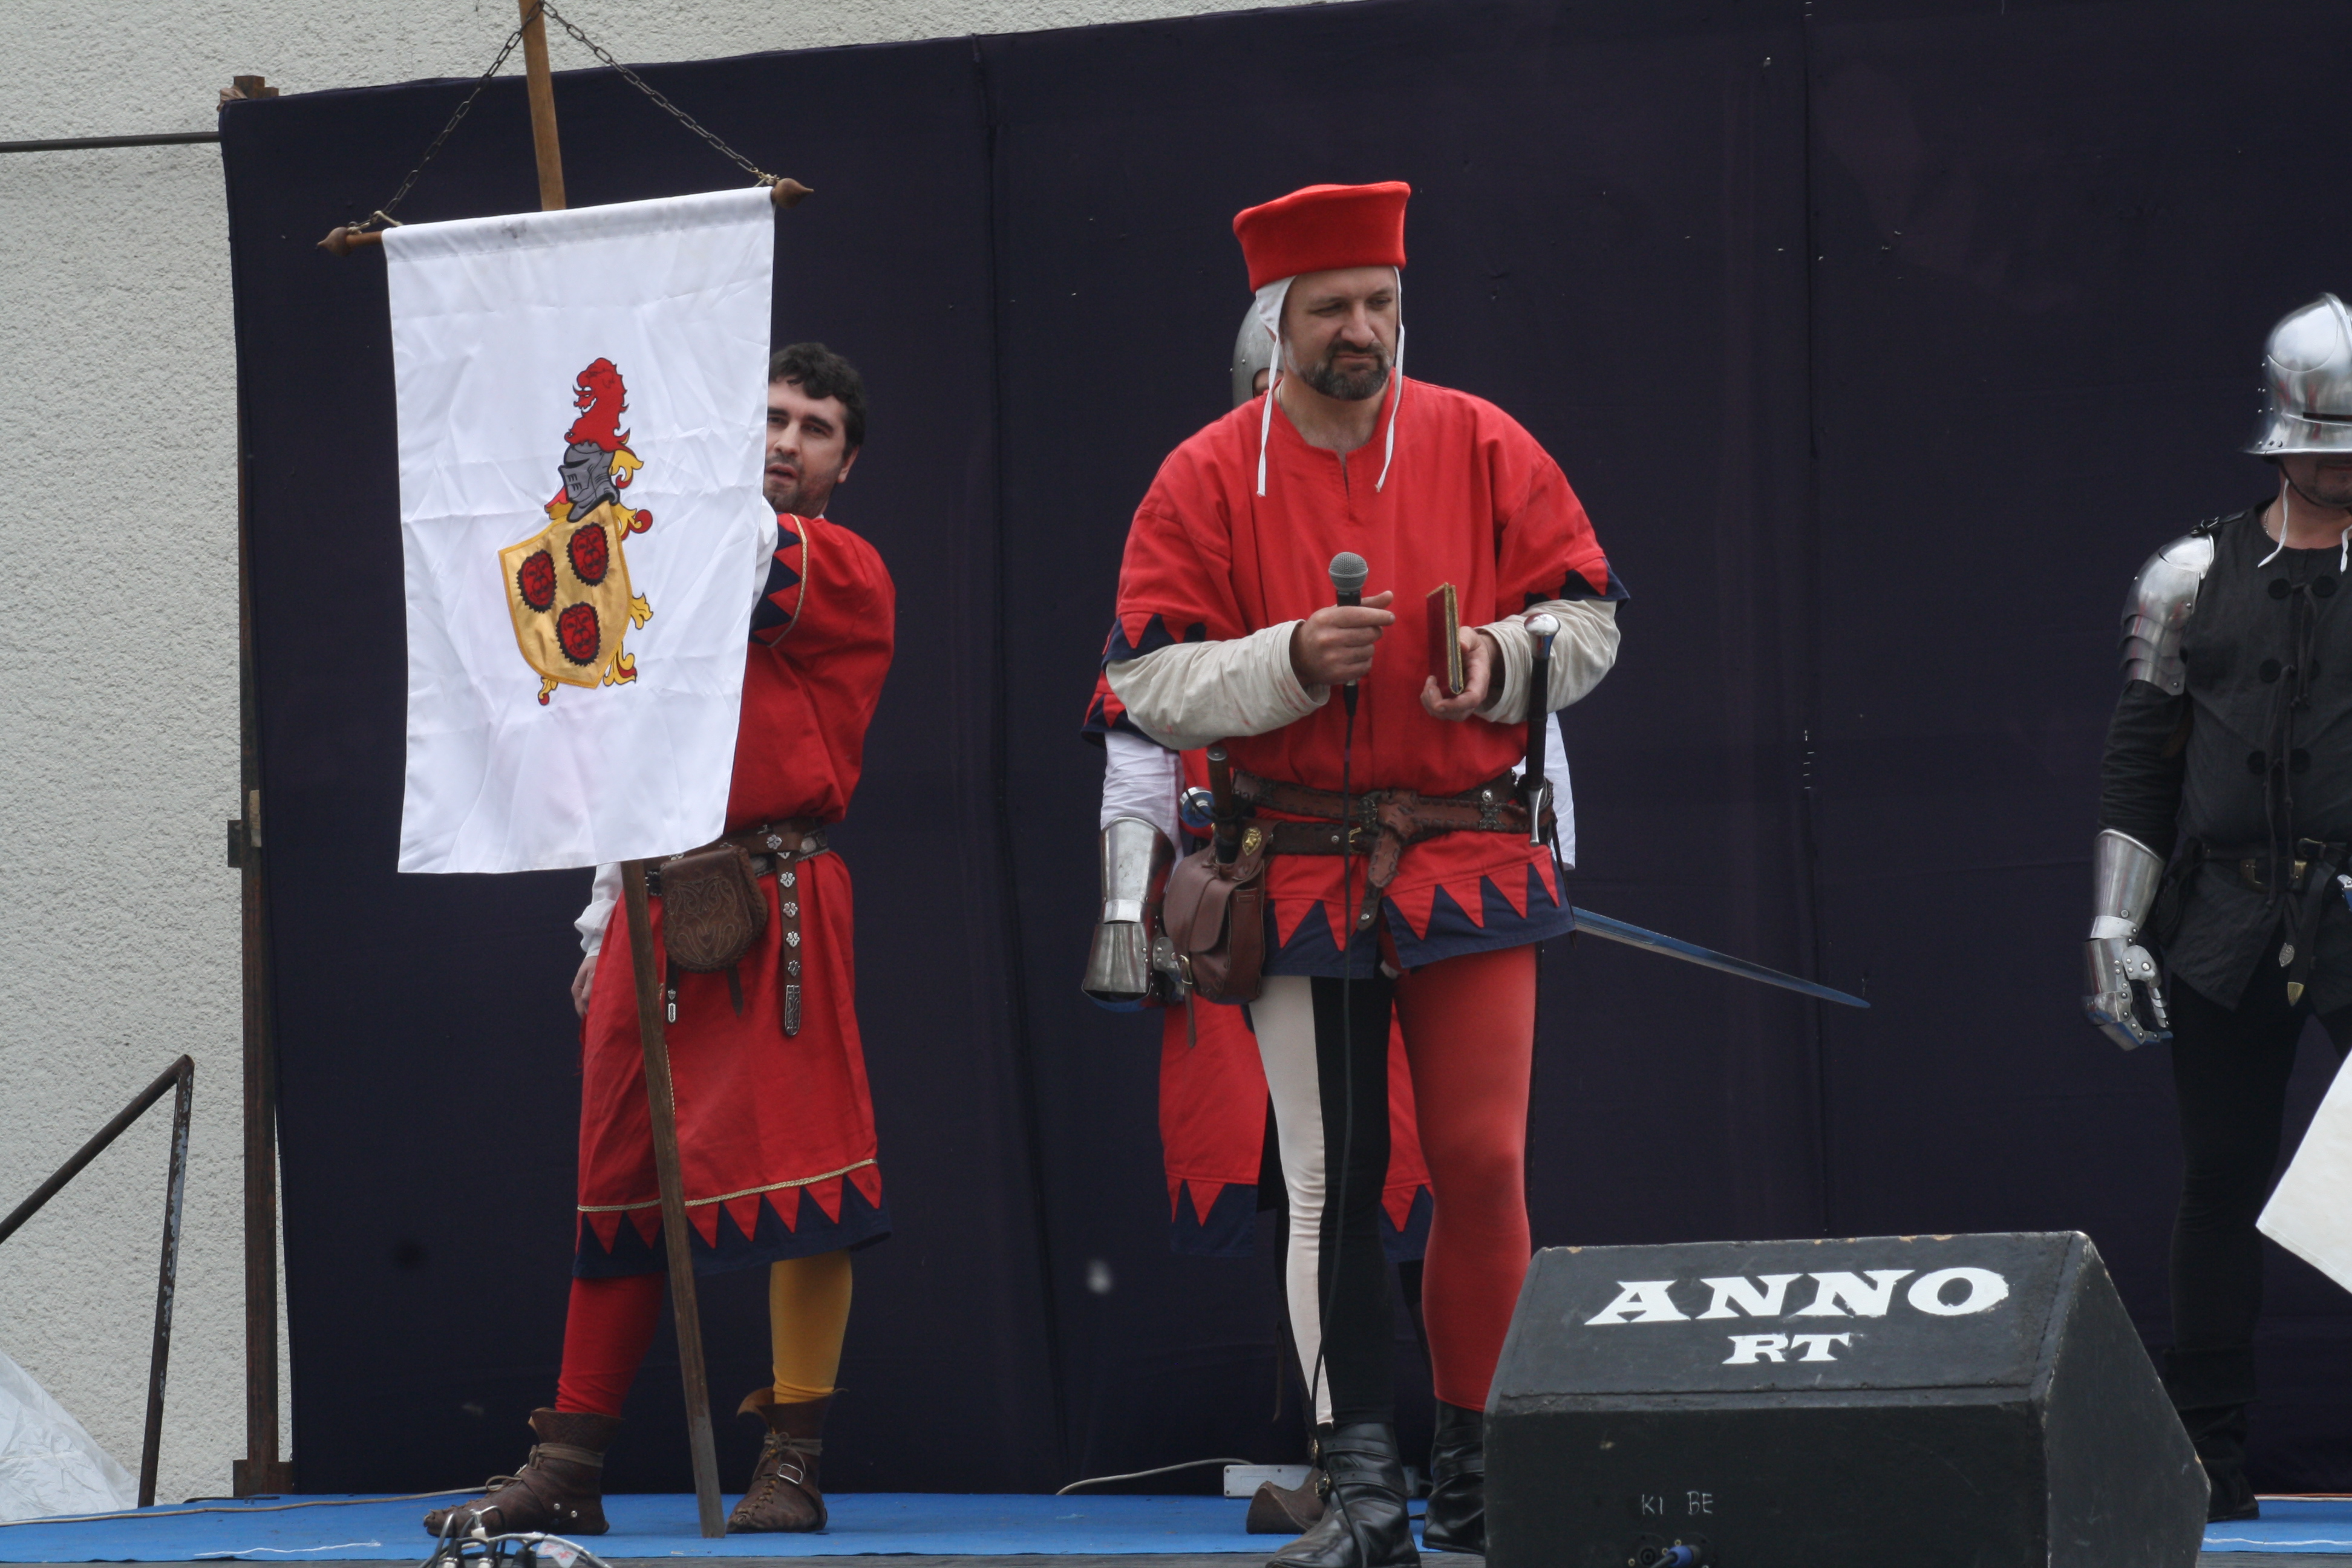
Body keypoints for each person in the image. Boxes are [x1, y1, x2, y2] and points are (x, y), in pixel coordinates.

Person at [1086, 182, 1622, 1567]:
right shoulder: (1204, 475)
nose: (1362, 329)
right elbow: (1146, 678)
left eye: (1380, 302)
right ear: (1278, 319)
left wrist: (1500, 660)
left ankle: (1480, 1487)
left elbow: (1590, 620)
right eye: (1332, 308)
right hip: (1297, 865)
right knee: (1330, 1179)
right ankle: (1367, 1500)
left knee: (1483, 1166)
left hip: (1468, 849)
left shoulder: (1484, 441)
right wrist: (1285, 662)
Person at [426, 344, 893, 1540]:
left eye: (816, 428)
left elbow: (735, 549)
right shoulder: (669, 570)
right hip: (650, 897)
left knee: (810, 1188)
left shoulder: (838, 568)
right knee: (620, 1189)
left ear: (846, 464)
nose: (787, 441)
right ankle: (569, 1463)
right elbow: (622, 757)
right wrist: (600, 918)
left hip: (777, 902)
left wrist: (676, 441)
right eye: (771, 418)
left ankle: (792, 1461)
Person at [2087, 295, 2352, 1523]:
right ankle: (2207, 1454)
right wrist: (2112, 927)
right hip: (2227, 917)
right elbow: (2141, 766)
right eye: (2323, 442)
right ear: (2282, 433)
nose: (2338, 463)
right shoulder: (2187, 577)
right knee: (2220, 1183)